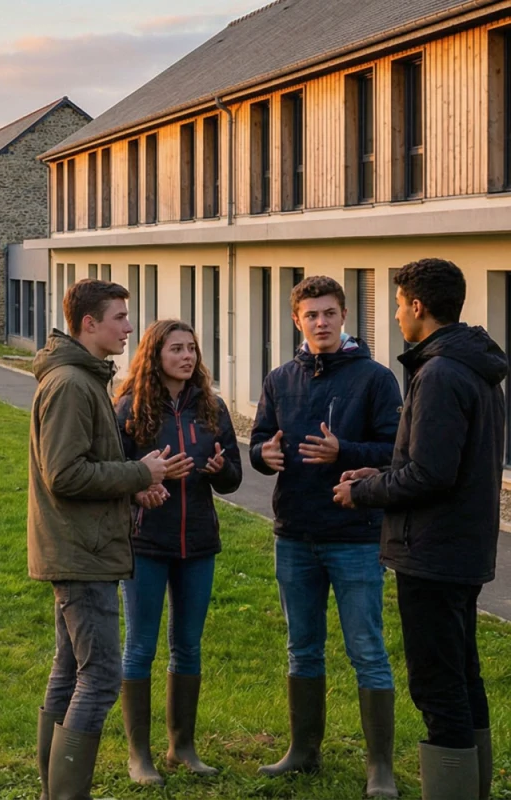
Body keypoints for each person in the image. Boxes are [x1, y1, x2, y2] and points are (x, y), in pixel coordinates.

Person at [338, 259, 507, 798]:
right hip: (462, 548)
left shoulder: (439, 373)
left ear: (417, 306)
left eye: (396, 304)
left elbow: (431, 475)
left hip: (433, 553)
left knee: (438, 688)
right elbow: (437, 462)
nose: (393, 315)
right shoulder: (472, 367)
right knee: (463, 677)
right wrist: (383, 471)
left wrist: (360, 491)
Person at [28, 279, 184, 800]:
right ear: (88, 324)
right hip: (82, 552)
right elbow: (65, 475)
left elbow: (84, 468)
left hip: (79, 544)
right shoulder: (72, 383)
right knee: (99, 677)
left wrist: (133, 490)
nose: (129, 327)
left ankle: (55, 790)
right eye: (119, 317)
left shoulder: (81, 377)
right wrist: (139, 473)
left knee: (70, 669)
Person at [249, 275, 401, 797]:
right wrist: (260, 457)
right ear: (297, 320)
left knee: (367, 649)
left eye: (329, 313)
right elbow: (260, 439)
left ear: (344, 316)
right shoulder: (279, 379)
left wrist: (345, 453)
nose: (321, 322)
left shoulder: (376, 379)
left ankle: (379, 765)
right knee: (302, 648)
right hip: (294, 532)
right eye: (311, 315)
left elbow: (394, 452)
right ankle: (302, 751)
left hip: (355, 535)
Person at [112, 320, 242, 786]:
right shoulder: (130, 408)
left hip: (199, 543)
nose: (187, 357)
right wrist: (145, 482)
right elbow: (115, 475)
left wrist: (218, 468)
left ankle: (181, 747)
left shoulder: (212, 408)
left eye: (192, 349)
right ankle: (138, 755)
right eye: (176, 349)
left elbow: (234, 479)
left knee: (188, 645)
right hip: (147, 544)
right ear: (155, 355)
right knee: (140, 647)